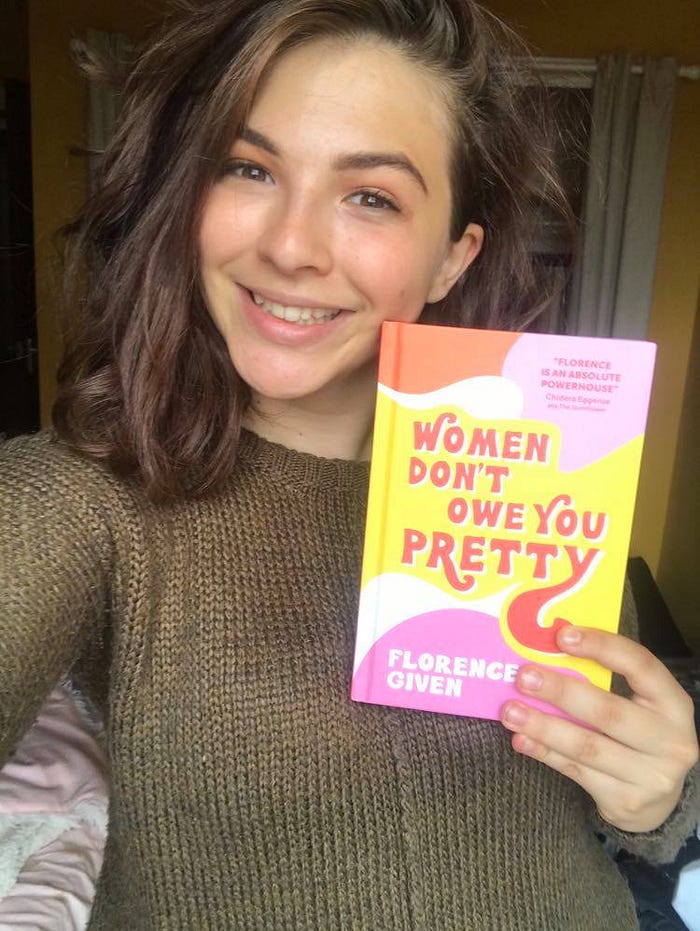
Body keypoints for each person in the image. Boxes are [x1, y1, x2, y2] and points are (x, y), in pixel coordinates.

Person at [1, 0, 698, 928]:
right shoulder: (81, 499)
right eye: (249, 168)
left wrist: (658, 797)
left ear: (453, 257)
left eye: (371, 196)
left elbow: (618, 795)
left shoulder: (545, 473)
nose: (291, 247)